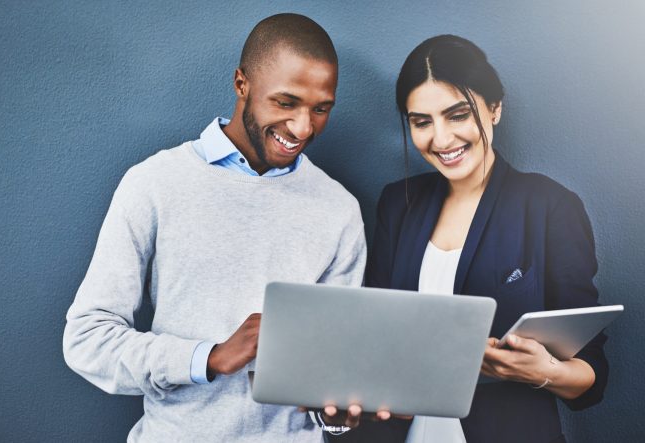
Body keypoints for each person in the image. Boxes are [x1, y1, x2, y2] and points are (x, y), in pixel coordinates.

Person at [62, 13, 368, 442]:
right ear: (242, 84)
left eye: (320, 109)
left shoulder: (340, 210)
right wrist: (208, 358)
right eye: (286, 103)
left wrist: (335, 413)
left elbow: (330, 369)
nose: (303, 127)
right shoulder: (154, 182)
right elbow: (87, 339)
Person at [334, 35, 608, 442]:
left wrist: (543, 372)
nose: (441, 140)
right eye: (421, 122)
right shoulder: (398, 203)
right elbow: (376, 336)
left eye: (457, 115)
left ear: (494, 108)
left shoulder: (550, 207)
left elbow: (592, 374)